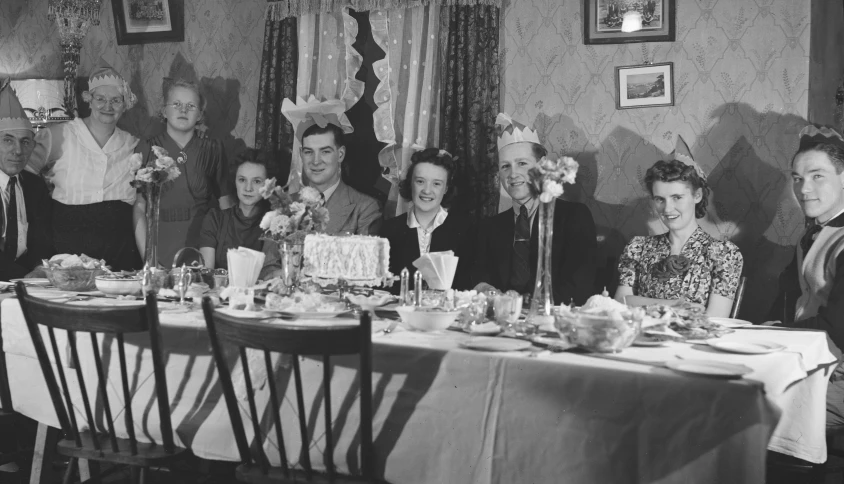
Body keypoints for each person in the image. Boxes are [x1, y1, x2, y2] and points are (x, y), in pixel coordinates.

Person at [26, 58, 141, 271]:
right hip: (68, 248)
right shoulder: (60, 134)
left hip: (118, 250)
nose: (108, 106)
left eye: (116, 100)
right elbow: (25, 174)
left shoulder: (132, 144)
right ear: (89, 99)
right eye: (100, 98)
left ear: (125, 104)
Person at [472, 113, 598, 306]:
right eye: (505, 166)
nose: (513, 174)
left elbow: (578, 286)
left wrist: (522, 304)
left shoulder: (573, 217)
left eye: (522, 163)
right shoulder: (491, 227)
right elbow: (479, 278)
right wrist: (487, 291)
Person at [765, 125, 844, 426]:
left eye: (817, 176)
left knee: (746, 413)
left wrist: (776, 337)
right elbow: (788, 297)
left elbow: (838, 328)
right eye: (797, 178)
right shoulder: (813, 234)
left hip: (838, 374)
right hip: (813, 360)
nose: (804, 189)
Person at [614, 137, 743, 316]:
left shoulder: (723, 253)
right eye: (660, 199)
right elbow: (620, 302)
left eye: (677, 197)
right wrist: (674, 305)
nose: (667, 209)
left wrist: (642, 304)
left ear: (697, 196)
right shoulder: (638, 248)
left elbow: (715, 319)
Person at [259, 97, 381, 279]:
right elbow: (267, 269)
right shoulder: (286, 204)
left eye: (325, 151)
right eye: (309, 152)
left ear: (340, 154)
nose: (316, 161)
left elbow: (365, 273)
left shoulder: (365, 207)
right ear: (301, 154)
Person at [133, 78, 232, 267]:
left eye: (191, 106)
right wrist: (149, 258)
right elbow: (139, 207)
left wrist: (223, 252)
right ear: (164, 110)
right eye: (176, 104)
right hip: (159, 243)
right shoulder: (148, 147)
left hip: (203, 244)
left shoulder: (213, 149)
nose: (183, 110)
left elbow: (225, 205)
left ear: (200, 115)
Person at [380, 148, 475, 292]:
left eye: (436, 184)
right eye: (420, 181)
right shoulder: (389, 230)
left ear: (446, 189)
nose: (427, 190)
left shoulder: (466, 229)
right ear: (410, 183)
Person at [0, 80, 53, 280]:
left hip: (25, 281)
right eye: (7, 140)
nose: (18, 151)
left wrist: (39, 269)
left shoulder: (35, 185)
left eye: (25, 142)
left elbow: (42, 241)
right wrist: (25, 278)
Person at [199, 149, 269, 270]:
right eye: (242, 180)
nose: (248, 188)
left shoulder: (275, 223)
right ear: (234, 181)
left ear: (268, 184)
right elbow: (206, 273)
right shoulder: (215, 219)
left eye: (257, 181)